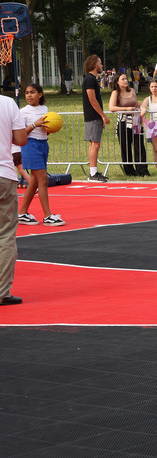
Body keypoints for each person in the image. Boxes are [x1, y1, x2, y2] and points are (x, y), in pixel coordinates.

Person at [16, 84, 64, 227]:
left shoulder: (44, 109)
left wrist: (50, 128)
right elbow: (21, 134)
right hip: (30, 145)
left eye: (32, 92)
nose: (29, 95)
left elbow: (46, 130)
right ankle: (48, 216)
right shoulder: (23, 112)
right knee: (43, 180)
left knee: (35, 182)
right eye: (26, 93)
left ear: (40, 94)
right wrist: (35, 125)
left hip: (43, 144)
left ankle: (22, 213)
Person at [0, 92, 26, 305]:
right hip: (4, 174)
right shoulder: (7, 103)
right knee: (6, 234)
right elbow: (20, 140)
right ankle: (2, 291)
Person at [109, 73, 149, 176]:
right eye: (123, 79)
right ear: (117, 82)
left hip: (135, 120)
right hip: (123, 122)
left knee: (139, 145)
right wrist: (126, 109)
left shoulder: (131, 91)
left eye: (126, 79)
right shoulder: (115, 93)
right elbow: (112, 108)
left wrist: (143, 107)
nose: (126, 81)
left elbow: (136, 104)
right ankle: (130, 170)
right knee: (125, 146)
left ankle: (142, 170)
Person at [82, 54, 111, 182]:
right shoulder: (90, 79)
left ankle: (93, 171)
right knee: (95, 144)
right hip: (93, 116)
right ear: (94, 65)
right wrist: (103, 116)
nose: (101, 66)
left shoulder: (91, 79)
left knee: (93, 144)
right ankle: (93, 174)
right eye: (100, 63)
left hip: (93, 116)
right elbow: (92, 99)